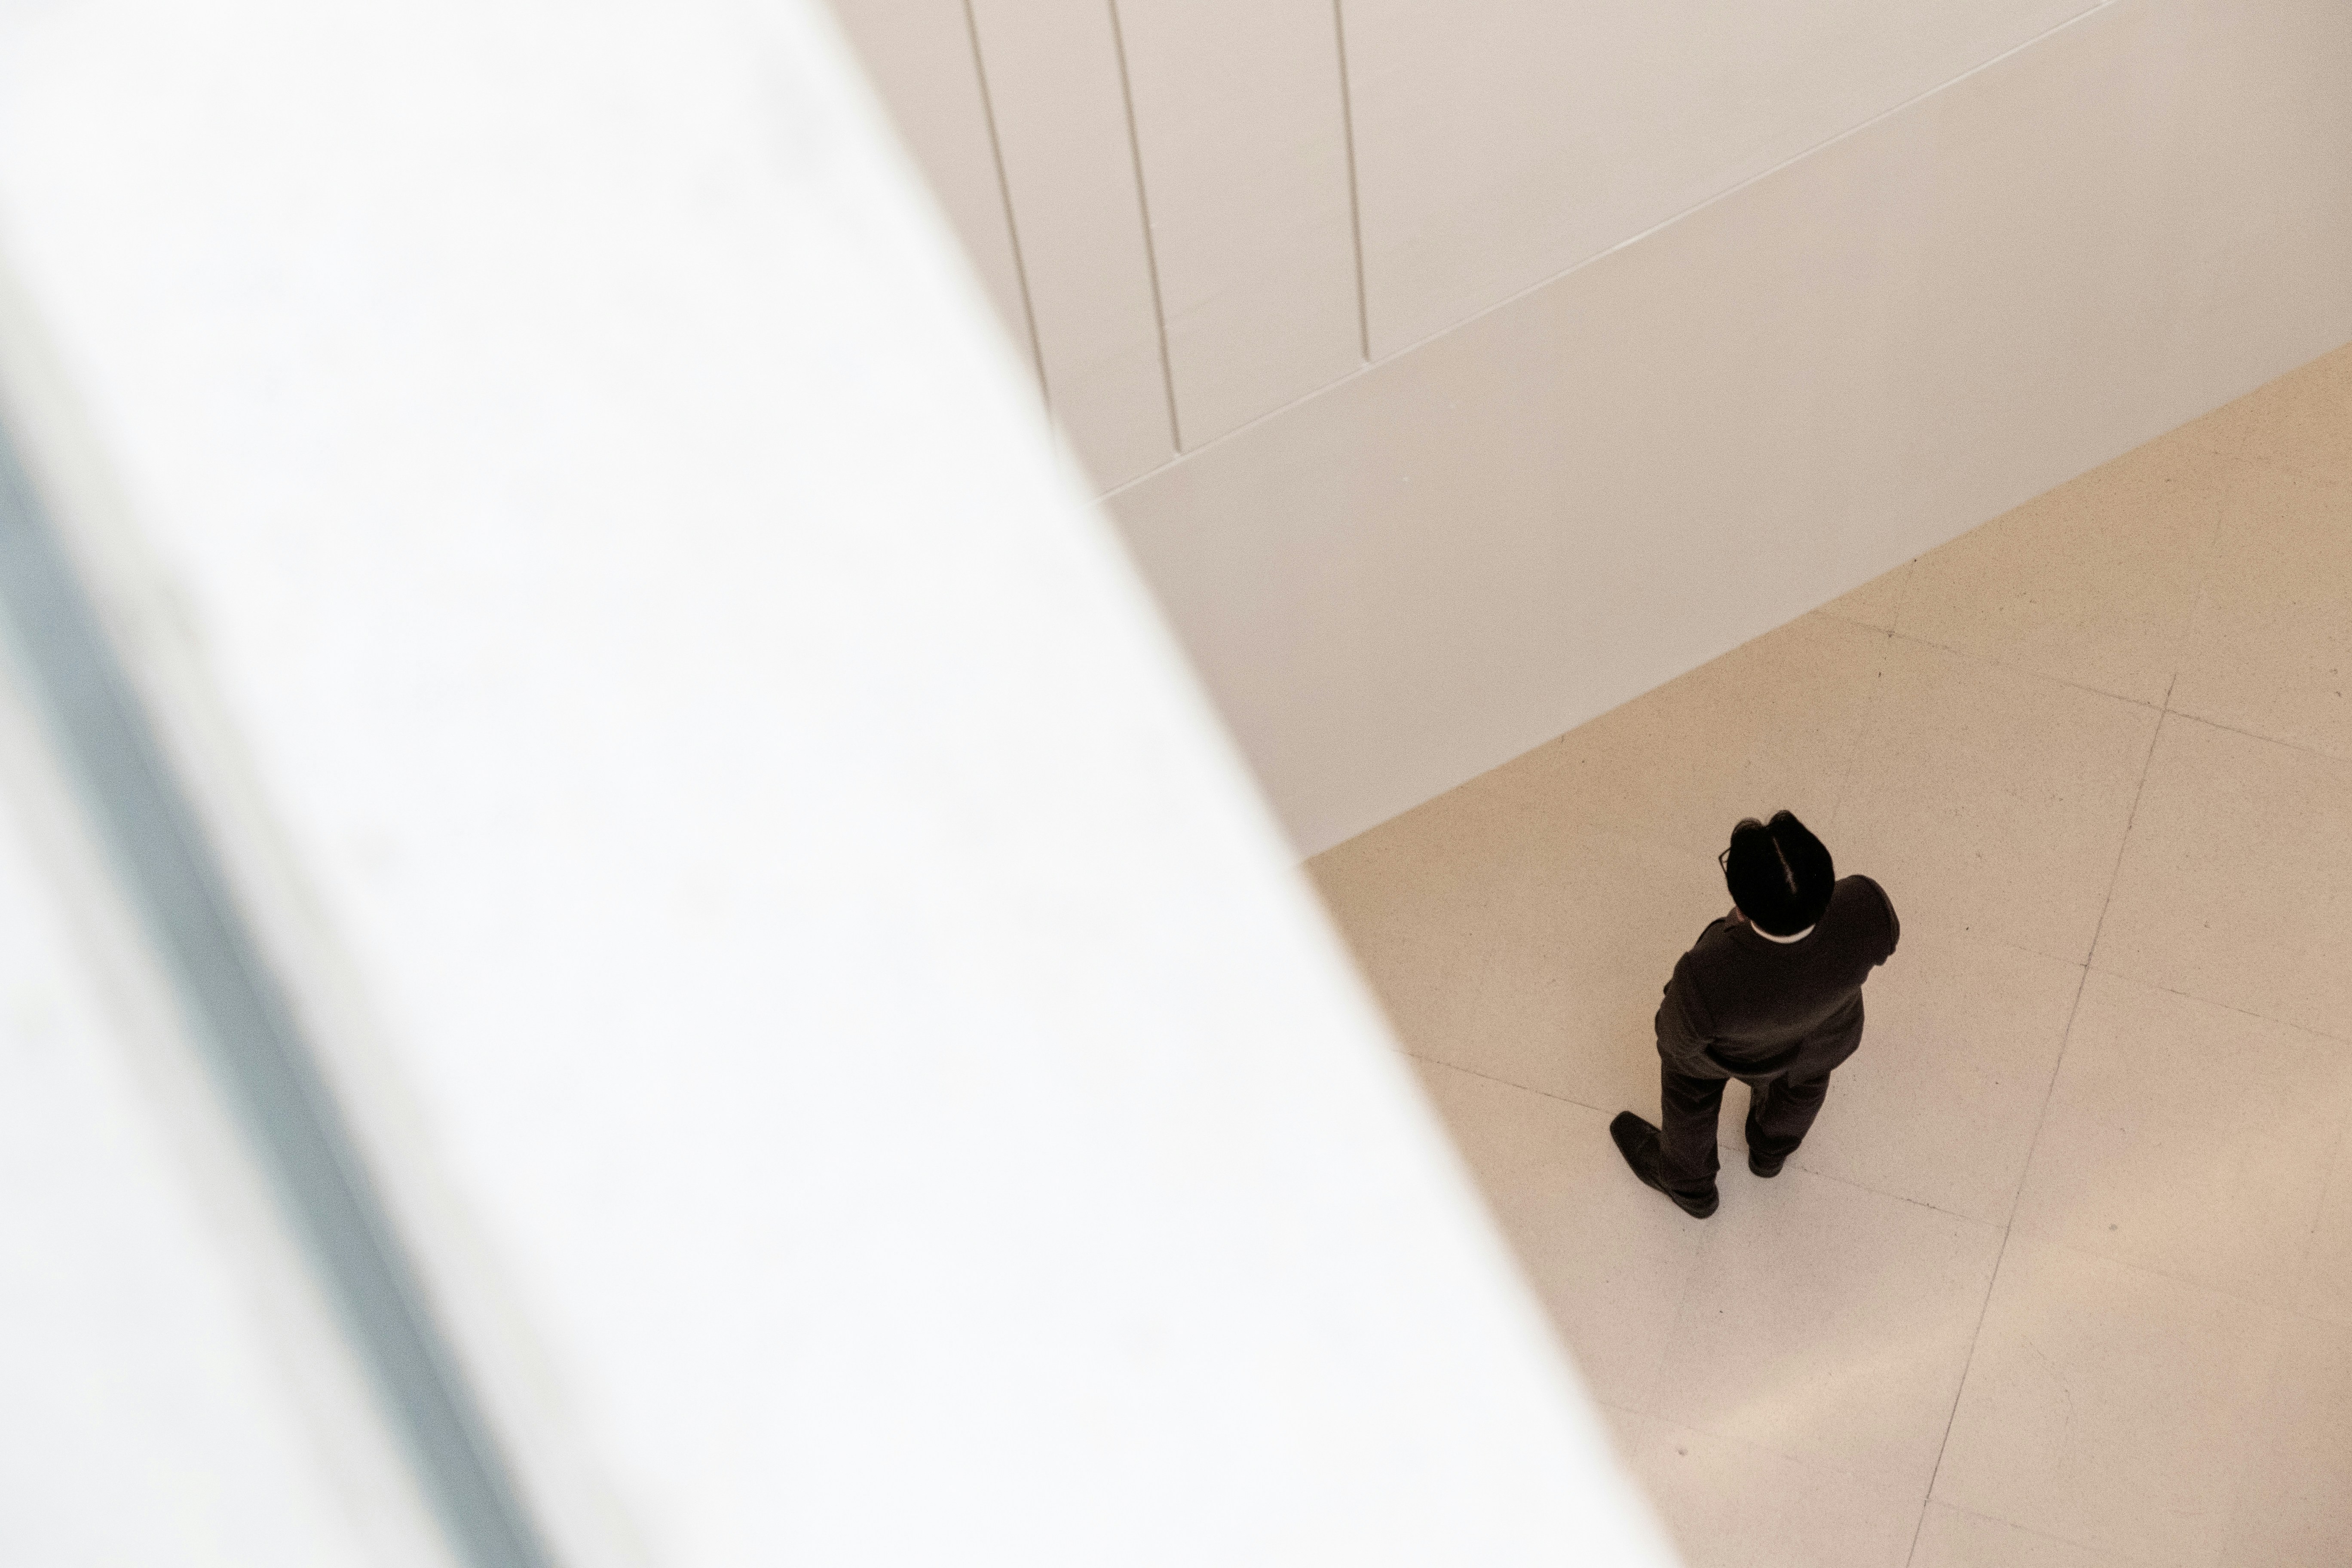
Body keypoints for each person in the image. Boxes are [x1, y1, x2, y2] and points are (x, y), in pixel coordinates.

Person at [1610, 811, 1898, 1217]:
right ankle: (1770, 1153)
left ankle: (1690, 1187)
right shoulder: (1868, 906)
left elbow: (1672, 1037)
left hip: (1740, 1056)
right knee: (1805, 1084)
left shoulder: (1705, 974)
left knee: (1686, 1083)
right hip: (1826, 1038)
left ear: (1742, 905)